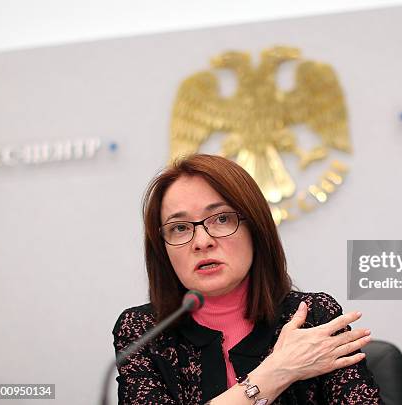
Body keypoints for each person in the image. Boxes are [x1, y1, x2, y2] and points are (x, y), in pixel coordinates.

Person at [112, 154, 382, 404]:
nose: (202, 242)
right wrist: (276, 372)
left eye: (221, 219)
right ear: (162, 248)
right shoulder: (143, 331)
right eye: (180, 228)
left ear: (255, 228)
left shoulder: (312, 317)